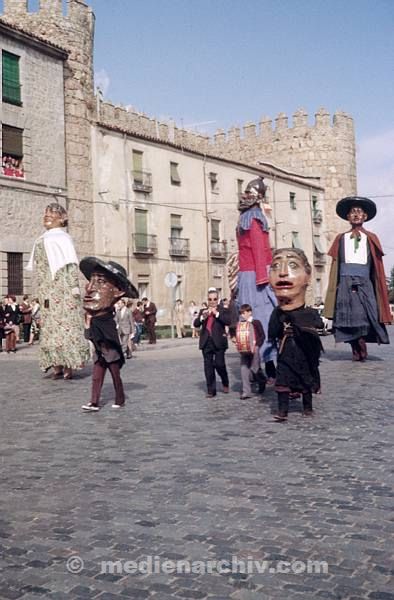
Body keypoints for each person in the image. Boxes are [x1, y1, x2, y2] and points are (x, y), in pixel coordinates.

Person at [26, 203, 89, 379]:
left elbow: (70, 264)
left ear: (62, 218)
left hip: (64, 289)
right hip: (47, 290)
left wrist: (74, 288)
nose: (47, 216)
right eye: (46, 213)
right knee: (50, 330)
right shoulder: (40, 239)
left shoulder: (63, 238)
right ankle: (56, 365)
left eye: (52, 213)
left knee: (66, 328)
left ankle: (68, 365)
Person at [324, 196, 391, 361]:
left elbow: (376, 266)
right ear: (347, 217)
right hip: (345, 282)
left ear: (365, 217)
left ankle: (362, 343)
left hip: (365, 282)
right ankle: (355, 346)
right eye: (352, 212)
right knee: (347, 317)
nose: (355, 215)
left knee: (365, 316)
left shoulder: (371, 238)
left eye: (359, 212)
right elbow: (336, 265)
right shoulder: (341, 238)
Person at [268, 248, 323, 422]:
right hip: (285, 353)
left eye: (292, 265)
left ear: (307, 276)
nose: (283, 273)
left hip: (303, 354)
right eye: (275, 266)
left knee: (305, 381)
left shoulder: (309, 312)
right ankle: (282, 411)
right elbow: (272, 333)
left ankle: (307, 407)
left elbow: (317, 329)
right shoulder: (277, 313)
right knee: (282, 382)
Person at [80, 257, 138, 412]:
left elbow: (110, 337)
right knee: (96, 377)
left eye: (100, 281)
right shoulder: (95, 318)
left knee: (115, 376)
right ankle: (94, 402)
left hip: (110, 352)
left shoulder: (107, 319)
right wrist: (88, 325)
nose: (90, 288)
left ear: (118, 292)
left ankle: (120, 398)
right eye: (91, 281)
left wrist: (106, 349)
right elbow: (90, 335)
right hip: (100, 353)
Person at [236, 177, 277, 382]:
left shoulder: (251, 218)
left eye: (251, 192)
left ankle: (264, 363)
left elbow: (259, 249)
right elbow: (259, 249)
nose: (247, 194)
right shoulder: (253, 218)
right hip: (254, 275)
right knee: (262, 319)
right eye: (246, 191)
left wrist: (262, 275)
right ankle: (263, 363)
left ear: (259, 197)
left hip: (252, 275)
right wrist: (263, 277)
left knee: (258, 320)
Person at [194, 289, 231, 397]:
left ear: (218, 299)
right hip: (206, 341)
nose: (212, 301)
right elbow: (196, 324)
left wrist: (217, 314)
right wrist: (202, 318)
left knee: (220, 364)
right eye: (210, 299)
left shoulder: (223, 310)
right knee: (208, 367)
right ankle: (211, 390)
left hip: (219, 341)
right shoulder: (203, 311)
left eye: (214, 299)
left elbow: (228, 321)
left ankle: (225, 381)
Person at [234, 303, 266, 399]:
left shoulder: (256, 322)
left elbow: (262, 335)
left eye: (244, 313)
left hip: (254, 348)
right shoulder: (241, 324)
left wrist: (257, 345)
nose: (243, 315)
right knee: (244, 369)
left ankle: (262, 380)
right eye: (242, 313)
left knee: (254, 369)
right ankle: (246, 392)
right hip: (244, 349)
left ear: (250, 312)